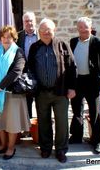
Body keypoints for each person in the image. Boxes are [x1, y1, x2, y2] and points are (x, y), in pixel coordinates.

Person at [27, 18, 76, 163]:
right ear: (39, 32)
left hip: (60, 92)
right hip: (42, 92)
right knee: (43, 122)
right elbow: (30, 68)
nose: (46, 33)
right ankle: (46, 148)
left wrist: (72, 87)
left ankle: (61, 150)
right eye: (43, 31)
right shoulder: (35, 47)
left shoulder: (62, 45)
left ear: (54, 30)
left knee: (62, 123)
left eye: (49, 30)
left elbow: (72, 66)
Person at [0, 25, 30, 160]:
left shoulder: (19, 52)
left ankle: (11, 147)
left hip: (12, 95)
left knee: (12, 123)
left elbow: (16, 72)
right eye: (3, 37)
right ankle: (3, 144)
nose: (6, 39)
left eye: (9, 37)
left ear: (14, 38)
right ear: (0, 38)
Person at [69, 17, 100, 154]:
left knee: (94, 112)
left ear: (91, 28)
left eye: (86, 28)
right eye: (80, 28)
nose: (83, 31)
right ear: (77, 28)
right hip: (77, 81)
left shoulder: (99, 43)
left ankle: (97, 141)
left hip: (92, 82)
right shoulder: (73, 42)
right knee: (76, 110)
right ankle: (76, 136)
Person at [16, 11, 39, 119]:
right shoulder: (18, 36)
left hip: (40, 72)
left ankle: (39, 127)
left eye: (31, 20)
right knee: (27, 101)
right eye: (26, 21)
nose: (29, 23)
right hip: (25, 73)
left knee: (40, 101)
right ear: (23, 22)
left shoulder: (42, 34)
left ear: (35, 21)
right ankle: (28, 127)